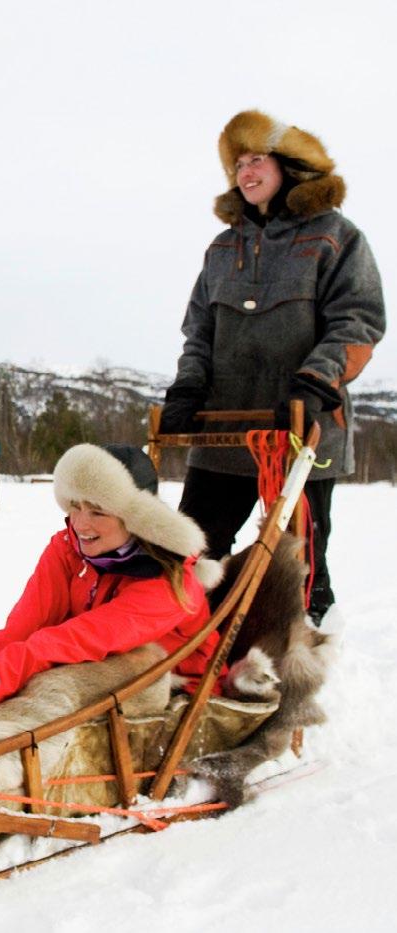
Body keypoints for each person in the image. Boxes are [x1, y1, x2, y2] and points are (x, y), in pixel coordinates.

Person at [160, 110, 385, 630]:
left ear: (289, 166)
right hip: (223, 432)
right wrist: (189, 384)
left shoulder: (335, 237)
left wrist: (316, 379)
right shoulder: (221, 249)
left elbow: (359, 321)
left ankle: (304, 644)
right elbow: (200, 331)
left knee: (297, 560)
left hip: (303, 429)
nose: (245, 172)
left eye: (256, 159)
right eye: (237, 164)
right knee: (192, 550)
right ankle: (187, 643)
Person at [0, 443, 223, 717]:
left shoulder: (170, 586)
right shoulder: (67, 548)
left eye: (98, 512)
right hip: (92, 662)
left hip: (176, 685)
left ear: (137, 520)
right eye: (75, 505)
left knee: (41, 682)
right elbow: (23, 628)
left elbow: (77, 638)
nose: (81, 523)